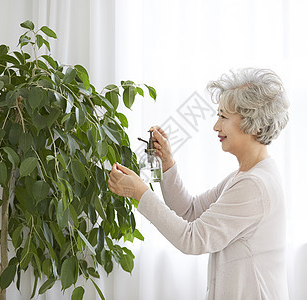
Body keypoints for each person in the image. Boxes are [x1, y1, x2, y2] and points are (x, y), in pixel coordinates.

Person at [108, 68, 290, 299]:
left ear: (253, 124)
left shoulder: (253, 185)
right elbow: (189, 211)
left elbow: (192, 239)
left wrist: (140, 193)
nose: (216, 126)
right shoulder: (247, 175)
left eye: (223, 116)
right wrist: (167, 163)